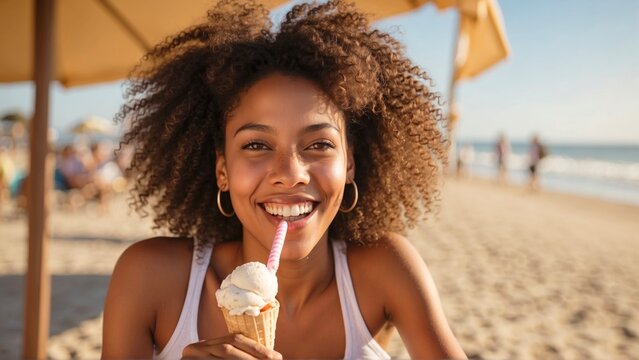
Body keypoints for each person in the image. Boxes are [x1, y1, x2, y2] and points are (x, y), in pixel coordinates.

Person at [102, 1, 467, 359]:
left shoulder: (386, 270)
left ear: (350, 163)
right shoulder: (149, 277)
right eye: (257, 144)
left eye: (319, 144)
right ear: (222, 170)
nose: (291, 173)